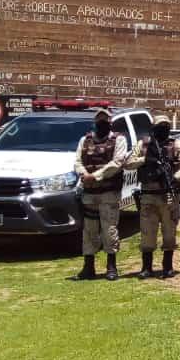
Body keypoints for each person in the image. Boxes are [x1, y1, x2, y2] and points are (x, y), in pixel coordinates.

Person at [125, 115, 180, 280]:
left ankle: (167, 266)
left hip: (168, 195)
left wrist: (175, 177)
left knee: (169, 232)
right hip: (148, 194)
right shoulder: (143, 144)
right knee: (147, 233)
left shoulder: (176, 145)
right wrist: (146, 160)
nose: (163, 129)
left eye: (166, 126)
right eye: (160, 126)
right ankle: (146, 267)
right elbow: (128, 163)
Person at [73, 108, 129, 281]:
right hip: (89, 193)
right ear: (95, 122)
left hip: (108, 193)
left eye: (104, 120)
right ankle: (88, 268)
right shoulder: (85, 139)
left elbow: (117, 163)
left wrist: (95, 176)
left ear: (110, 122)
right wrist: (83, 174)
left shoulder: (118, 139)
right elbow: (77, 161)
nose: (101, 123)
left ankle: (111, 267)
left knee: (109, 229)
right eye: (99, 121)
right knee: (89, 231)